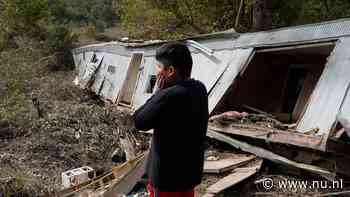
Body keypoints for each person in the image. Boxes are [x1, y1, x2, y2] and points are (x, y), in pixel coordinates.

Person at [133, 42, 209, 197]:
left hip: (167, 180)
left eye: (158, 67)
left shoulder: (167, 96)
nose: (156, 71)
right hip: (189, 175)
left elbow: (139, 121)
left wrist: (156, 94)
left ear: (170, 71)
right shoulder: (200, 89)